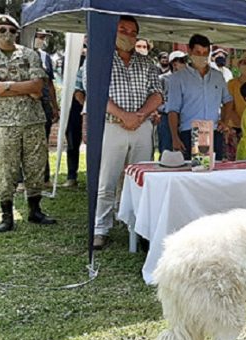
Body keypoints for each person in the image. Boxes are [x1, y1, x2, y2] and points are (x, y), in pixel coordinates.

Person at [92, 16, 163, 249]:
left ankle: (139, 227)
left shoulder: (148, 63)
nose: (128, 35)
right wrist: (124, 115)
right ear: (113, 30)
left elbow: (158, 95)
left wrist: (140, 115)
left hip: (142, 128)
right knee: (107, 180)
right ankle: (100, 229)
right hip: (113, 126)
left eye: (133, 32)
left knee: (141, 180)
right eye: (123, 29)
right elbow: (96, 93)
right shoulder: (98, 58)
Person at [0, 14, 57, 233]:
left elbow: (38, 87)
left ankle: (34, 210)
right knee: (6, 170)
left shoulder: (30, 54)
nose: (7, 34)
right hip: (3, 124)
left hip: (33, 120)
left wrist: (5, 87)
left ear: (17, 33)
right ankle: (6, 215)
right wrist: (23, 86)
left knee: (35, 166)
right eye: (2, 30)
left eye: (11, 31)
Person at [167, 34, 233, 161]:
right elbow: (173, 110)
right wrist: (175, 137)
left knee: (214, 175)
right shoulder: (178, 78)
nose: (201, 56)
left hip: (213, 131)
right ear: (189, 51)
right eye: (198, 52)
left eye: (205, 53)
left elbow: (228, 100)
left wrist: (225, 121)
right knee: (192, 176)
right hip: (190, 132)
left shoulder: (218, 76)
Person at [32, 29, 59, 186]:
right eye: (39, 36)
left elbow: (50, 83)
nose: (42, 40)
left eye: (43, 37)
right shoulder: (22, 54)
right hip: (26, 105)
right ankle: (22, 181)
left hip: (45, 105)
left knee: (44, 141)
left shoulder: (46, 57)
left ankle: (45, 178)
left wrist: (55, 106)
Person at [155, 50, 187, 155]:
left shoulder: (188, 80)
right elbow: (157, 99)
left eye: (185, 61)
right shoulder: (163, 79)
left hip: (183, 118)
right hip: (166, 117)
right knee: (166, 150)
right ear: (174, 63)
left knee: (184, 150)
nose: (185, 64)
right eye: (182, 61)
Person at [64, 46, 86, 188]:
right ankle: (71, 175)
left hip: (95, 108)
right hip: (74, 108)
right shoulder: (69, 60)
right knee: (72, 142)